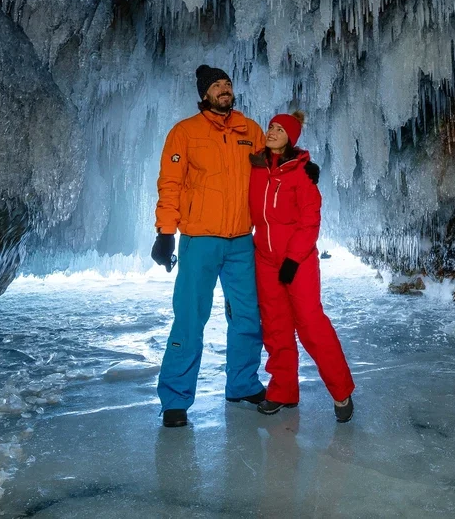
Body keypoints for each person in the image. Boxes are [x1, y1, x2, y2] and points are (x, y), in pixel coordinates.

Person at [151, 65, 268, 428]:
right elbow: (170, 183)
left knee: (248, 317)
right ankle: (175, 399)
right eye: (216, 86)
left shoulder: (251, 131)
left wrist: (302, 166)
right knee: (189, 318)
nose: (224, 90)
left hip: (240, 243)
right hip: (199, 240)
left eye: (227, 84)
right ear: (204, 94)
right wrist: (165, 232)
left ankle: (243, 384)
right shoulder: (184, 133)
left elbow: (272, 173)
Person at [249, 110, 356, 422]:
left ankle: (341, 392)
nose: (272, 132)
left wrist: (293, 259)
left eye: (280, 129)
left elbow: (310, 219)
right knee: (276, 328)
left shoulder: (301, 173)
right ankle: (282, 391)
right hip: (265, 260)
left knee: (311, 325)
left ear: (290, 138)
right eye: (271, 126)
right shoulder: (255, 167)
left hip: (298, 261)